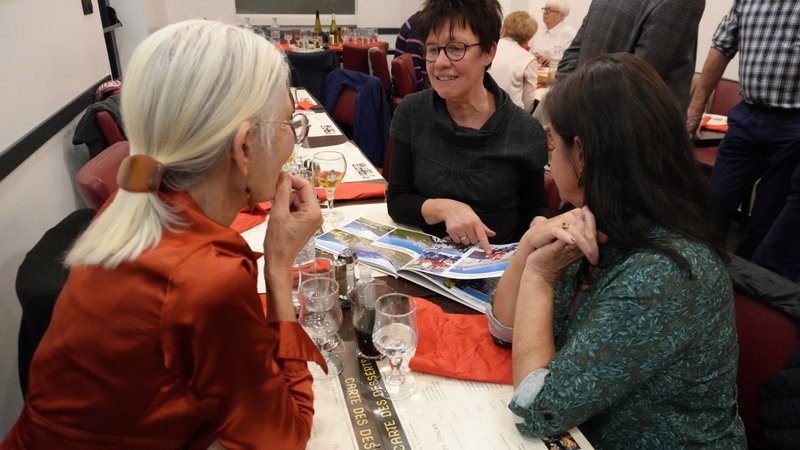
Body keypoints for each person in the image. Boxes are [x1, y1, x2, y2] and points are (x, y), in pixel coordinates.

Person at [2, 20, 325, 450]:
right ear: (245, 147)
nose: (293, 143)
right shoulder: (205, 281)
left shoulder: (136, 197)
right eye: (289, 126)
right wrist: (279, 268)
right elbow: (283, 439)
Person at [487, 53, 745, 448]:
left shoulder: (664, 273)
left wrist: (539, 276)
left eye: (553, 143)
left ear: (582, 154)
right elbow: (505, 330)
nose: (549, 157)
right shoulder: (602, 219)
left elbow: (535, 408)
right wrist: (528, 247)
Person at [387, 0, 550, 253]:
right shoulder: (412, 112)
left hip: (495, 263)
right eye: (433, 49)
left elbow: (535, 208)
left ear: (489, 52)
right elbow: (397, 200)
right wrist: (444, 208)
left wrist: (540, 223)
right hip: (423, 259)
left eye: (456, 48)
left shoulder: (523, 130)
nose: (440, 62)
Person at [686, 0, 800, 262]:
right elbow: (721, 46)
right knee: (715, 202)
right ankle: (703, 266)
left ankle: (747, 278)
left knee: (767, 216)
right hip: (747, 116)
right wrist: (696, 106)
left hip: (793, 125)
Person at [557, 0, 704, 113]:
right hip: (629, 130)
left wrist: (571, 106)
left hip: (596, 119)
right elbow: (639, 79)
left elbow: (569, 60)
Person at [488, 11, 539, 112]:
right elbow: (528, 100)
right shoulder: (528, 59)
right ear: (529, 37)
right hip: (510, 113)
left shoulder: (489, 47)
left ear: (504, 28)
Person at [530, 0, 576, 67]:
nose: (545, 13)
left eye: (549, 10)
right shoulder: (537, 28)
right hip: (535, 68)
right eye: (545, 9)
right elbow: (529, 49)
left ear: (561, 15)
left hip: (555, 71)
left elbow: (570, 59)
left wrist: (552, 60)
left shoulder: (570, 33)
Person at [395, 10, 428, 90]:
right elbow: (414, 62)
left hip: (415, 81)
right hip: (414, 86)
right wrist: (424, 90)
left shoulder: (419, 19)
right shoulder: (418, 25)